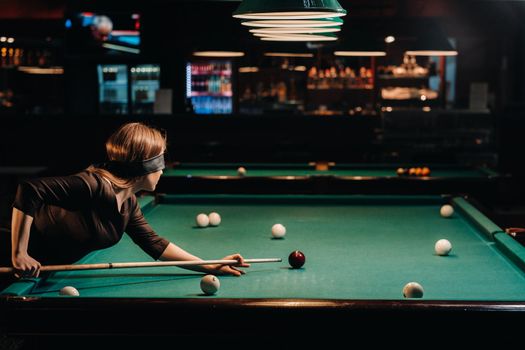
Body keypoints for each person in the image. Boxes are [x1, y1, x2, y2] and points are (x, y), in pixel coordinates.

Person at [0, 122, 249, 284]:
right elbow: (29, 189)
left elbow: (156, 245)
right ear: (144, 167)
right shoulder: (94, 185)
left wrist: (211, 265)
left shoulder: (128, 205)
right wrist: (19, 252)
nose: (163, 171)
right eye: (160, 163)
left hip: (37, 266)